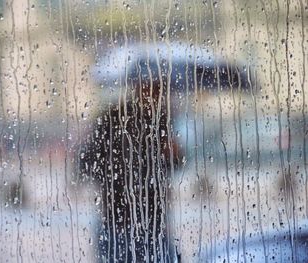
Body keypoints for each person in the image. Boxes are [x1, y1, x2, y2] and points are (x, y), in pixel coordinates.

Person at [80, 42, 251, 262]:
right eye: (152, 85)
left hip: (155, 223)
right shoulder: (113, 118)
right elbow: (90, 162)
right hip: (118, 221)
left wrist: (173, 152)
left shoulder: (162, 120)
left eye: (161, 87)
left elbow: (173, 165)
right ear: (137, 84)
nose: (157, 91)